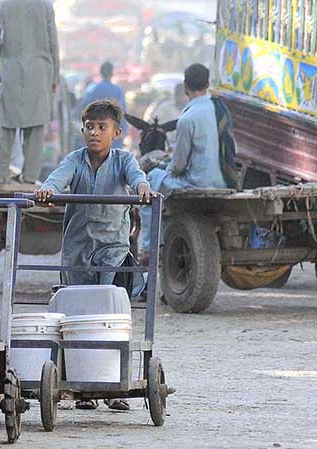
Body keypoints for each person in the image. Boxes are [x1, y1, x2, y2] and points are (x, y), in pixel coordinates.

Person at [35, 99, 152, 411]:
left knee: (110, 316)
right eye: (89, 127)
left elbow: (136, 175)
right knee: (75, 316)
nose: (94, 133)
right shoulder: (75, 159)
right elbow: (58, 177)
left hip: (112, 249)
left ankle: (113, 386)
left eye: (102, 127)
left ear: (116, 132)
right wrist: (48, 190)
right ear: (82, 130)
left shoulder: (123, 159)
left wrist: (142, 188)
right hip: (78, 250)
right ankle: (79, 386)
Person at [139, 64, 229, 259]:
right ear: (207, 84)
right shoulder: (220, 110)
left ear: (185, 86)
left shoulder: (187, 118)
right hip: (223, 180)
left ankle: (148, 246)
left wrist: (165, 167)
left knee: (152, 179)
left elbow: (178, 166)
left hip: (198, 181)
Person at [0, 0, 60, 185]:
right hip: (41, 72)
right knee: (35, 128)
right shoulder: (45, 6)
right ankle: (29, 178)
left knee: (7, 126)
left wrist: (7, 54)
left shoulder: (4, 5)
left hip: (12, 70)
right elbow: (54, 45)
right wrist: (54, 78)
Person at [80, 62, 128, 148]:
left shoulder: (91, 90)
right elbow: (122, 112)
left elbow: (83, 111)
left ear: (100, 73)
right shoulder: (118, 90)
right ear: (112, 73)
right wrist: (123, 131)